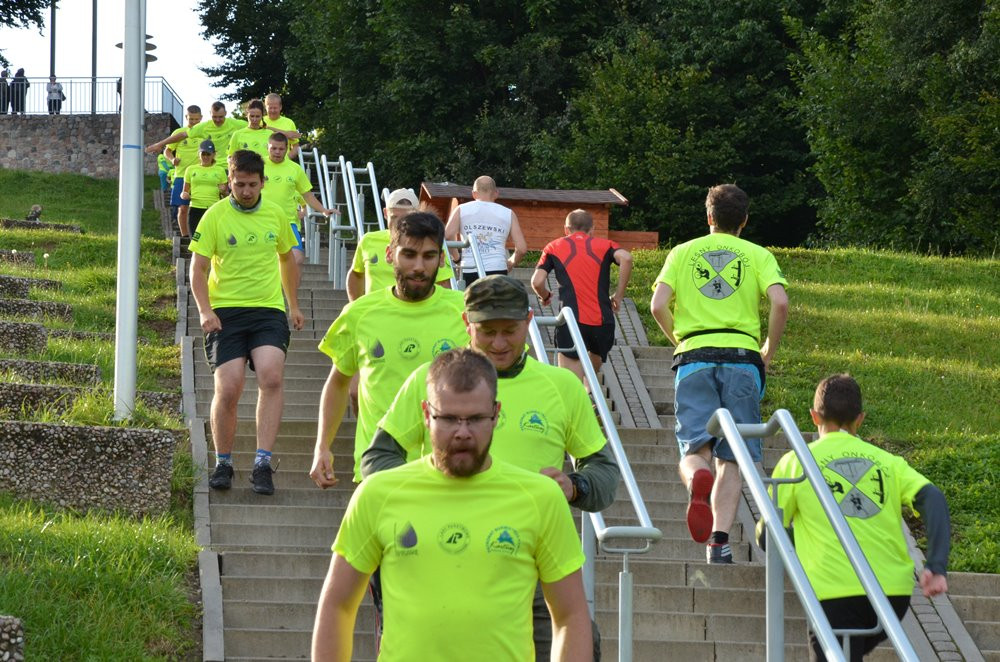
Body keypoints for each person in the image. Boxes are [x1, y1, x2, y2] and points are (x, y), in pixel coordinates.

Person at [364, 274, 618, 660]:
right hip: (442, 557)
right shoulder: (431, 381)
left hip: (533, 564)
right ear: (467, 324)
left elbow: (605, 475)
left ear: (530, 321)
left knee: (582, 640)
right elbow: (378, 459)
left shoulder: (561, 386)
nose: (499, 343)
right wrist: (420, 497)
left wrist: (574, 485)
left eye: (510, 331)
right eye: (487, 331)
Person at [312, 348, 593, 662]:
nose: (462, 432)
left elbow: (570, 615)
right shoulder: (378, 493)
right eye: (447, 418)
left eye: (475, 419)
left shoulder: (541, 498)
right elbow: (338, 604)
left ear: (496, 414)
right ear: (425, 413)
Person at [762, 374, 950, 661]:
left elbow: (766, 533)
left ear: (813, 417)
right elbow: (933, 498)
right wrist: (935, 566)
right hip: (891, 594)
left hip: (833, 591)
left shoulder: (796, 462)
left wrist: (798, 546)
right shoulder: (889, 462)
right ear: (860, 419)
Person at [650, 183, 789, 564]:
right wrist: (767, 351)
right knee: (733, 457)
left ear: (708, 217)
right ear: (744, 220)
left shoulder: (682, 252)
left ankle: (697, 475)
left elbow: (657, 304)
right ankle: (720, 541)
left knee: (695, 447)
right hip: (743, 358)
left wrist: (678, 337)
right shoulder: (758, 254)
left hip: (694, 356)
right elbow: (779, 301)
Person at [310, 212, 468, 485]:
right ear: (389, 254)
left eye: (429, 256)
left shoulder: (465, 311)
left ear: (442, 260)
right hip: (378, 471)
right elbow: (338, 382)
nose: (419, 266)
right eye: (408, 254)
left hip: (449, 471)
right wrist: (322, 446)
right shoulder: (359, 313)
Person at [188, 149, 304, 496]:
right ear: (230, 180)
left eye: (253, 185)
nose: (247, 191)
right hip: (226, 311)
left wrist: (293, 305)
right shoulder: (214, 216)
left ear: (263, 182)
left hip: (268, 309)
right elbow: (198, 268)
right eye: (240, 184)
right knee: (230, 386)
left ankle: (262, 463)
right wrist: (205, 310)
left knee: (271, 376)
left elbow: (287, 259)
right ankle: (223, 461)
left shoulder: (276, 215)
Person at [532, 209, 634, 384]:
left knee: (569, 382)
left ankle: (581, 397)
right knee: (590, 373)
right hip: (602, 322)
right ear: (592, 229)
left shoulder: (554, 247)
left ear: (566, 229)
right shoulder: (606, 245)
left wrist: (545, 295)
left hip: (571, 322)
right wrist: (618, 296)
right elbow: (626, 258)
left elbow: (537, 281)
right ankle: (589, 393)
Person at [345, 187, 454, 301]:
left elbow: (443, 285)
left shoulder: (429, 245)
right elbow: (356, 274)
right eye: (394, 217)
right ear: (385, 213)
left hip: (416, 313)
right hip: (376, 314)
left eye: (406, 218)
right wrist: (356, 305)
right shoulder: (369, 240)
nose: (399, 224)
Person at [262, 132, 337, 281]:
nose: (277, 152)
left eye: (281, 149)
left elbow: (307, 194)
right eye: (273, 148)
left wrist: (323, 210)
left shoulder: (295, 169)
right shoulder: (259, 165)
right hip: (262, 220)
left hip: (288, 222)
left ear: (287, 149)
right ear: (268, 148)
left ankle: (291, 297)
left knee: (297, 258)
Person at [444, 175, 527, 286]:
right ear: (496, 193)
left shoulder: (461, 209)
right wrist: (511, 262)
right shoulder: (508, 213)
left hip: (470, 268)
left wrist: (457, 259)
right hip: (498, 268)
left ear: (474, 194)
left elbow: (448, 236)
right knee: (495, 303)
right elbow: (521, 249)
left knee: (472, 303)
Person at [147, 105, 203, 234]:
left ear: (201, 118)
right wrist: (172, 160)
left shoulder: (205, 132)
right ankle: (184, 235)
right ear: (186, 117)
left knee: (199, 209)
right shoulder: (178, 133)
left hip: (199, 175)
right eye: (191, 119)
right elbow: (167, 151)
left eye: (196, 119)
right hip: (181, 176)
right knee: (182, 208)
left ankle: (199, 235)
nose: (194, 122)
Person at [146, 101, 248, 162]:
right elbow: (182, 134)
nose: (217, 120)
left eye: (221, 117)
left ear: (226, 113)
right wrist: (160, 144)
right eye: (214, 117)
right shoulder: (203, 127)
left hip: (229, 167)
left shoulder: (237, 124)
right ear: (210, 114)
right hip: (211, 167)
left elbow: (256, 126)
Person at [179, 140, 228, 236]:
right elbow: (184, 191)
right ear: (199, 154)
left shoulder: (220, 170)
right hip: (195, 208)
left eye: (208, 154)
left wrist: (223, 191)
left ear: (213, 155)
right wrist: (184, 195)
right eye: (203, 154)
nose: (205, 157)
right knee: (195, 239)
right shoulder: (191, 169)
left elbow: (225, 194)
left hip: (213, 208)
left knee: (211, 237)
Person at [263, 93, 302, 160]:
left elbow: (296, 146)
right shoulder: (260, 120)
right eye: (270, 108)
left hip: (283, 164)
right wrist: (285, 133)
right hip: (262, 164)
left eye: (275, 108)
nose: (272, 111)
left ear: (280, 107)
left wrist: (286, 159)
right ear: (265, 107)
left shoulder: (289, 122)